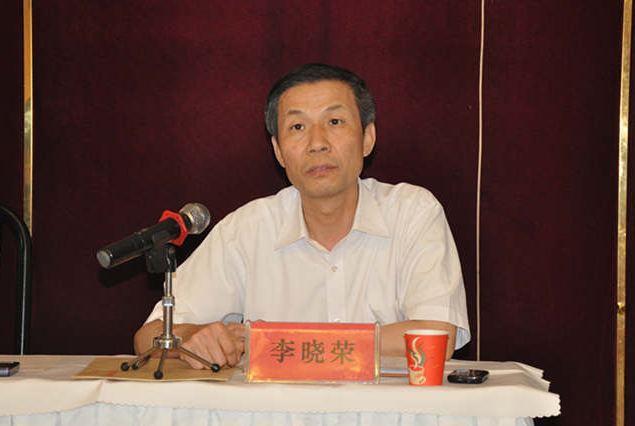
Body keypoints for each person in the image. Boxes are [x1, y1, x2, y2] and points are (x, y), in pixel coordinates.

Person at [134, 63, 470, 369]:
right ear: (279, 151)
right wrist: (193, 336)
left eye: (335, 122)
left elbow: (436, 336)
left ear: (368, 138)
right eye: (297, 126)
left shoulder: (412, 212)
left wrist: (277, 342)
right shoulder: (247, 229)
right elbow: (147, 337)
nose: (317, 143)